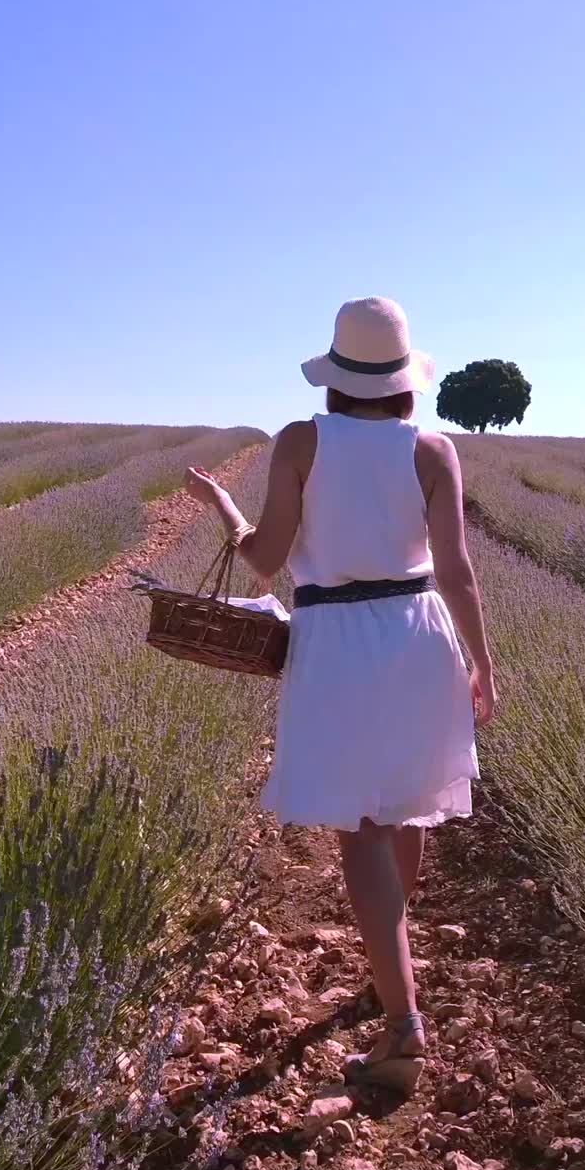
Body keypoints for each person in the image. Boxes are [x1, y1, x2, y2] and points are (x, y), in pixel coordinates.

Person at [186, 296, 497, 1095]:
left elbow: (264, 561)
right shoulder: (432, 448)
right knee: (407, 806)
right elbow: (457, 569)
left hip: (339, 645)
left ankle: (401, 1025)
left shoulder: (300, 442)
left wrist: (223, 510)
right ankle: (388, 978)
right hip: (421, 635)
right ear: (402, 378)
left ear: (335, 373)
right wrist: (483, 663)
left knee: (359, 831)